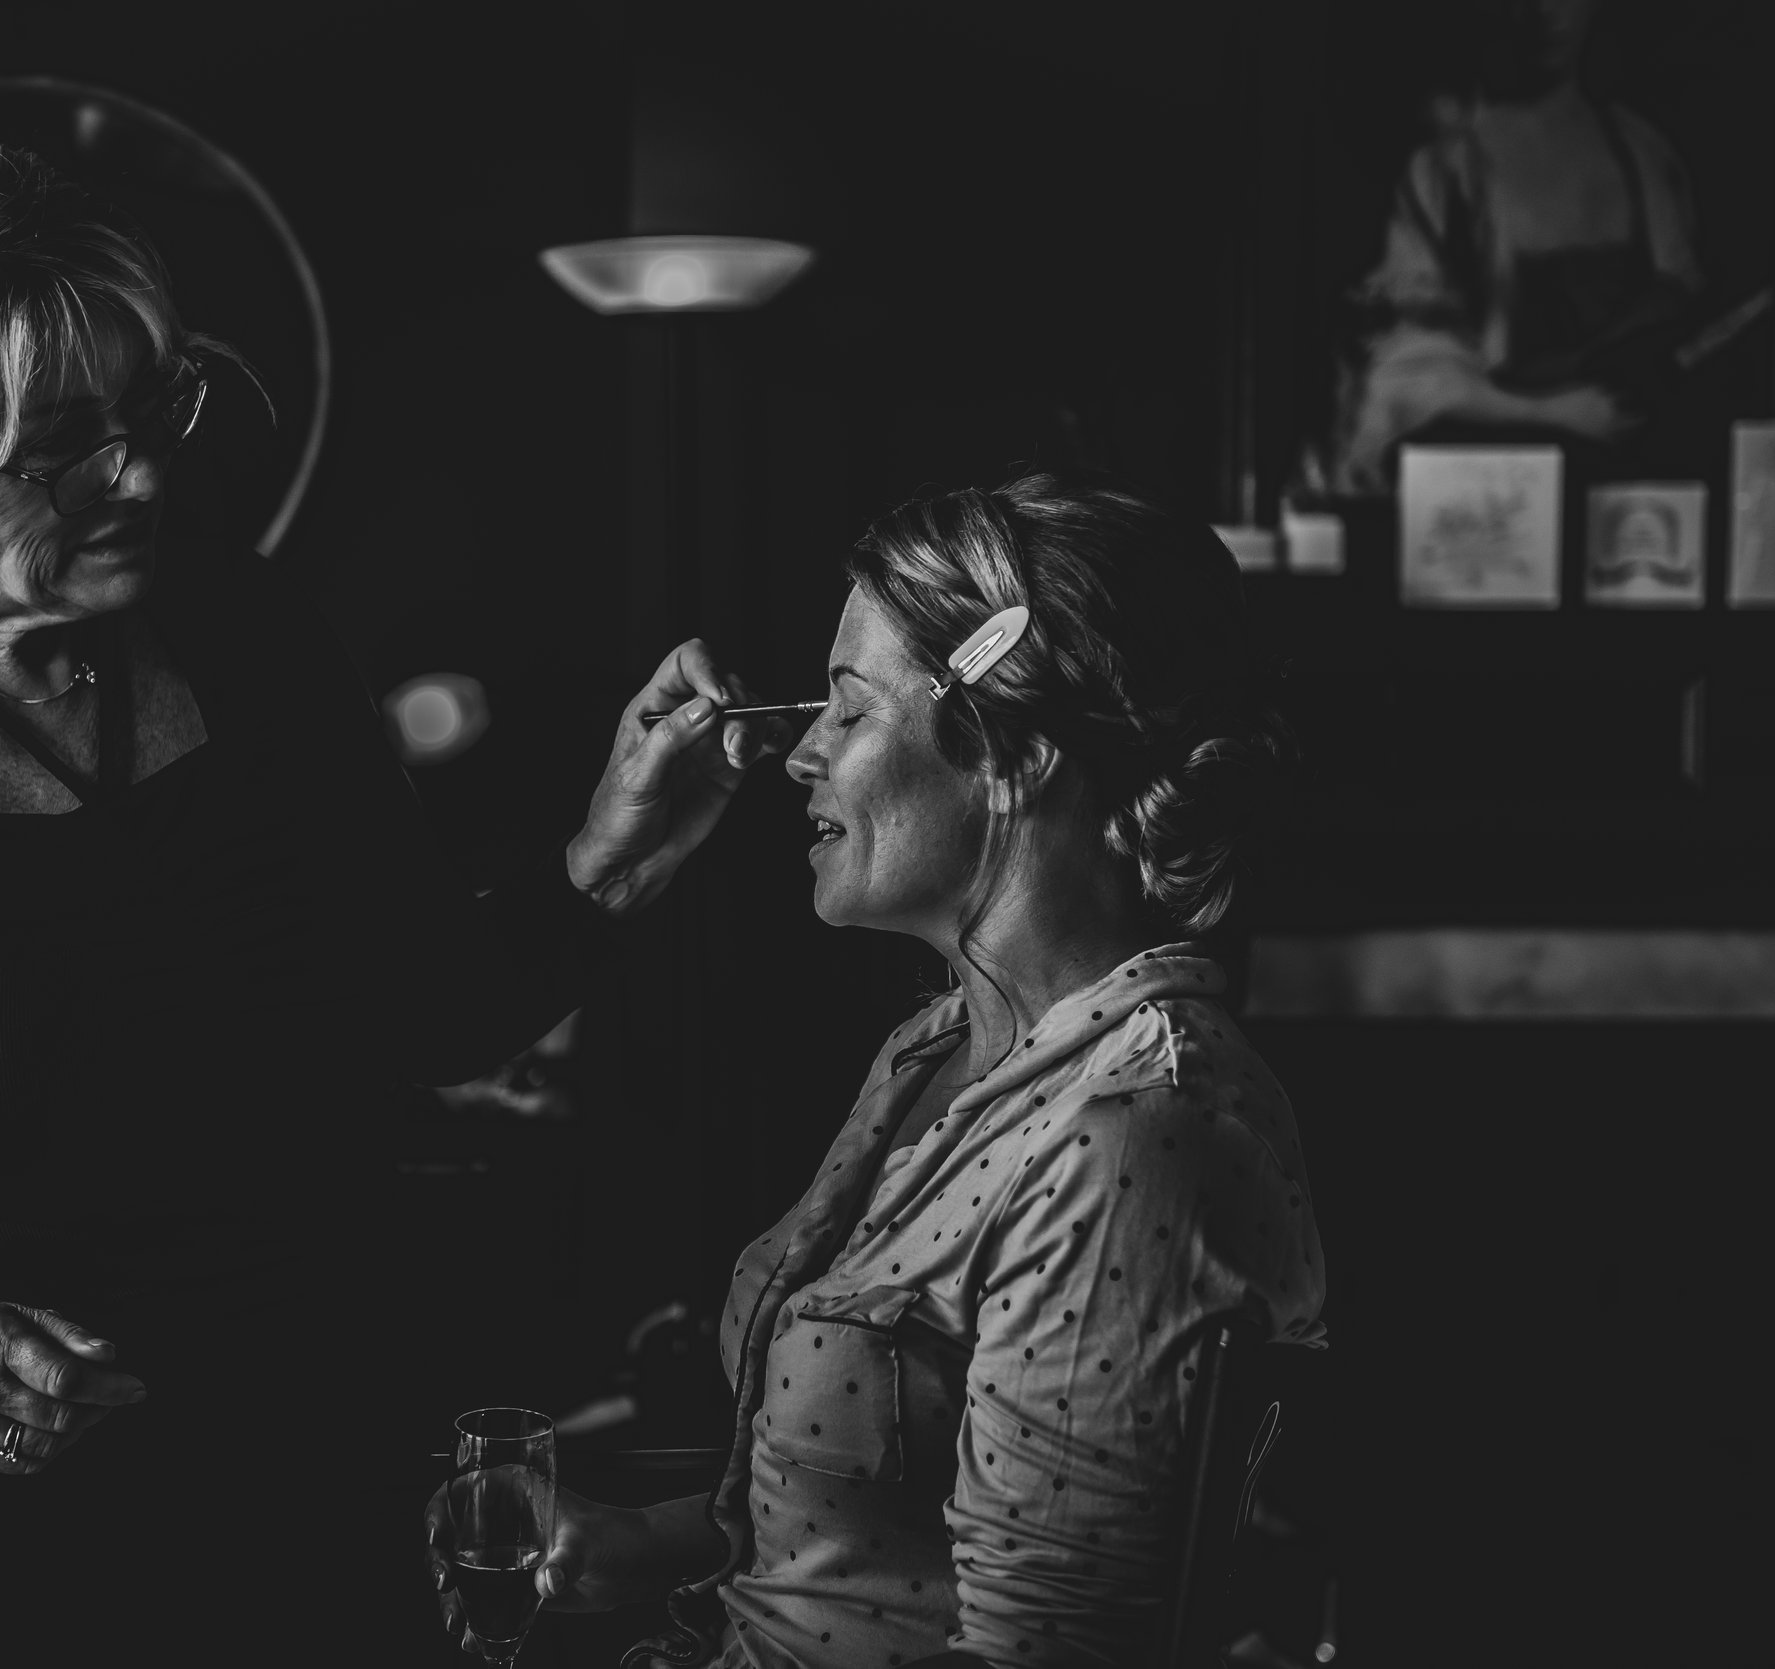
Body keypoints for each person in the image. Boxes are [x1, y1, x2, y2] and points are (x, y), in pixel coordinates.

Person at [0, 130, 788, 1664]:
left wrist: (611, 857)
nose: (144, 473)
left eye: (157, 406)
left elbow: (425, 1009)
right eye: (60, 444)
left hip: (322, 1494)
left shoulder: (249, 633)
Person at [429, 475, 1328, 1667]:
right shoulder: (937, 1048)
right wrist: (642, 1545)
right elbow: (883, 1538)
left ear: (1018, 754)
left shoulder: (1131, 1139)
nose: (798, 756)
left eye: (846, 711)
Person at [1326, 0, 1704, 495]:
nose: (1546, 14)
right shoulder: (1446, 169)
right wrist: (1553, 410)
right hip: (1497, 478)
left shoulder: (1639, 151)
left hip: (1631, 471)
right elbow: (1407, 369)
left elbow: (1683, 298)